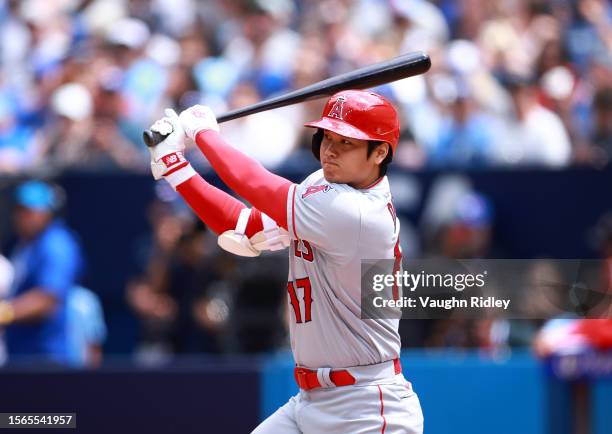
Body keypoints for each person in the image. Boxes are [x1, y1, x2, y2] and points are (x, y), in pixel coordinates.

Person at [147, 89, 424, 433]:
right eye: (327, 137)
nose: (330, 149)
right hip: (311, 400)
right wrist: (175, 168)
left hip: (365, 407)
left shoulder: (359, 213)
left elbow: (256, 184)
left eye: (347, 142)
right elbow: (242, 228)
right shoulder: (322, 187)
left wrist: (204, 134)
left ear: (380, 151)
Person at [0, 181, 84, 365]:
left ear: (46, 213)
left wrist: (5, 312)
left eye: (30, 211)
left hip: (46, 359)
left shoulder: (57, 244)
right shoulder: (23, 245)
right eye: (19, 210)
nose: (23, 217)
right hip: (20, 356)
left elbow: (48, 300)